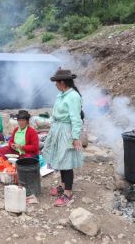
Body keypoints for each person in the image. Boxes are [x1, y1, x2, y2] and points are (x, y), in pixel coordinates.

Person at [41, 69, 84, 207]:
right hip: (58, 129)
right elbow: (55, 114)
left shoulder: (73, 96)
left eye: (56, 82)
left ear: (63, 82)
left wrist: (76, 137)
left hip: (67, 131)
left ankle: (68, 193)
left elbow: (76, 118)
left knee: (67, 162)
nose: (55, 85)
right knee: (60, 160)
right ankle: (62, 185)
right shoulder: (61, 95)